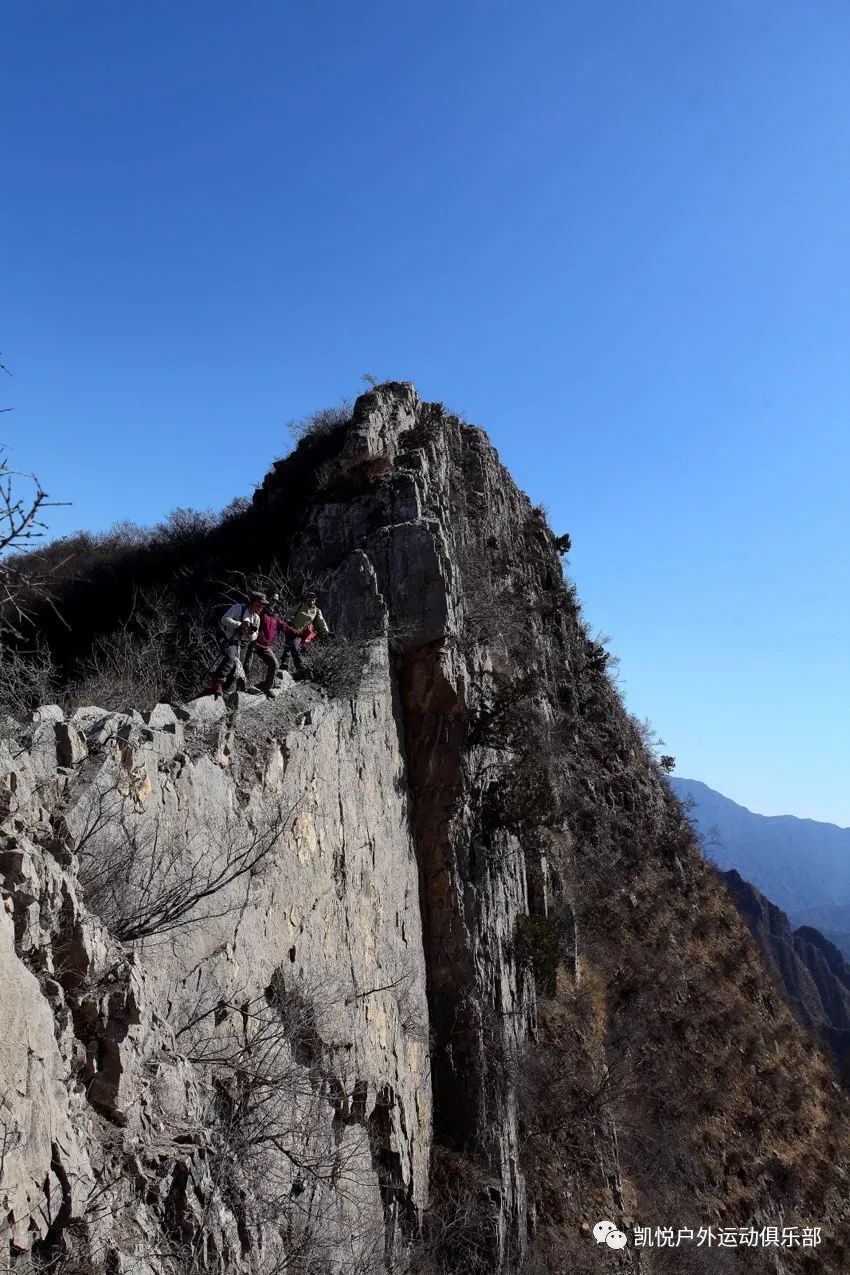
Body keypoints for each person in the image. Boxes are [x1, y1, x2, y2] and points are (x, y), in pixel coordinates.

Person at [211, 592, 266, 697]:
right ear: (255, 602)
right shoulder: (238, 608)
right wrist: (240, 625)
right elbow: (224, 619)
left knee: (237, 669)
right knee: (230, 658)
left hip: (244, 644)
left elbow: (256, 634)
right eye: (261, 604)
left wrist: (250, 634)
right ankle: (218, 681)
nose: (262, 607)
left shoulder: (256, 618)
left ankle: (226, 691)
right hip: (231, 641)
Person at [245, 592, 284, 697]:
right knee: (246, 666)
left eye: (276, 601)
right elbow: (253, 622)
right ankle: (241, 690)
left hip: (265, 646)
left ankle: (266, 687)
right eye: (273, 599)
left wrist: (298, 633)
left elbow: (282, 625)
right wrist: (251, 632)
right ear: (268, 598)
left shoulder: (276, 614)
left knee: (274, 664)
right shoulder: (261, 610)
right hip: (253, 642)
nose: (274, 602)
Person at [283, 589, 330, 678]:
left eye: (313, 600)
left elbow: (321, 622)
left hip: (300, 633)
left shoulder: (316, 611)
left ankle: (300, 668)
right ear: (306, 599)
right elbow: (289, 612)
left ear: (315, 600)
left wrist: (327, 632)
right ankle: (283, 668)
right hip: (291, 629)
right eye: (309, 600)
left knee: (294, 647)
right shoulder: (300, 606)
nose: (311, 602)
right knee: (287, 649)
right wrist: (288, 620)